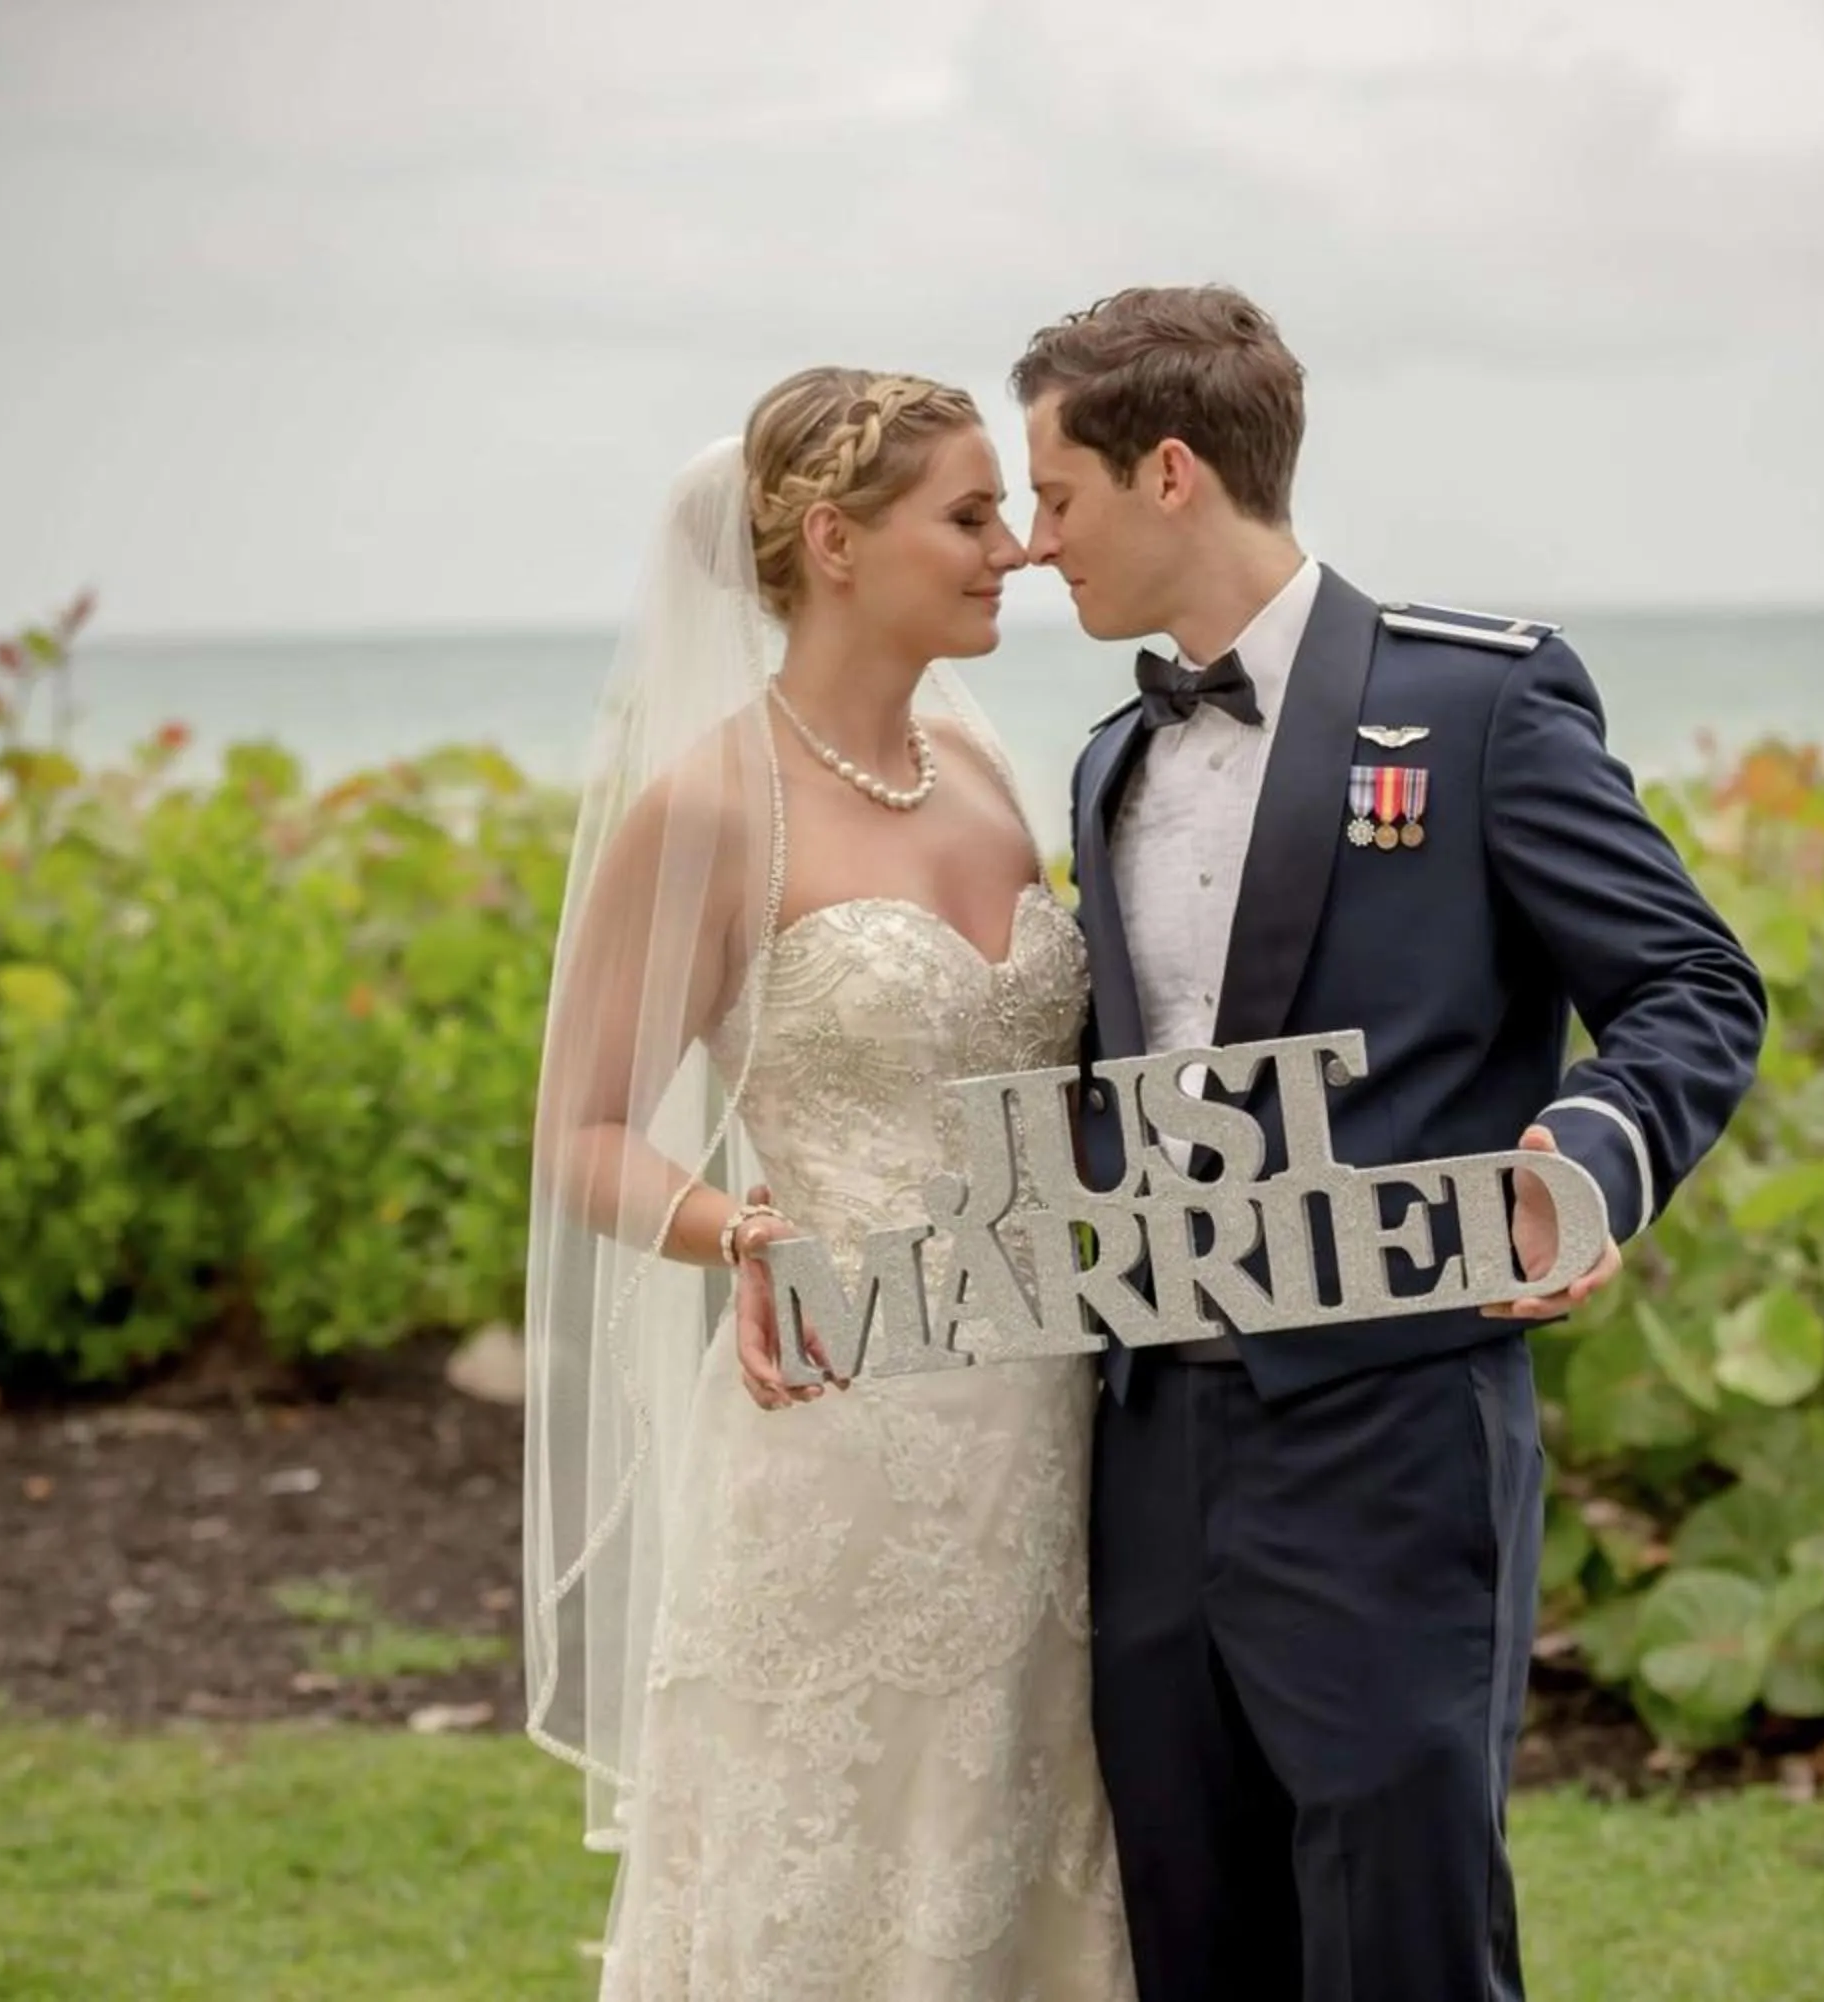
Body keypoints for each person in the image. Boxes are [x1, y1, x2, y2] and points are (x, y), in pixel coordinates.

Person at [1013, 284, 1769, 2001]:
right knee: (1194, 1940)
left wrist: (1588, 1156)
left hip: (1390, 1434)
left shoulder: (1480, 704)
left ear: (1174, 473)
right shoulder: (1108, 760)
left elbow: (1689, 981)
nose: (1035, 540)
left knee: (1402, 1943)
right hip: (1146, 1450)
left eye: (1056, 495)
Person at [519, 367, 1137, 2000]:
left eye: (1010, 511)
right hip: (841, 1427)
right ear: (832, 542)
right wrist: (741, 1230)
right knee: (835, 1863)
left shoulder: (985, 766)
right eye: (971, 514)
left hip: (1049, 1421)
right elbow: (578, 1130)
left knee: (1028, 1839)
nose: (1015, 549)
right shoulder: (715, 805)